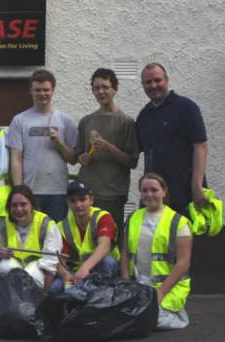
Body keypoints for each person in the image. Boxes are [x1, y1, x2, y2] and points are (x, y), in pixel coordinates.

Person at [121, 173, 191, 329]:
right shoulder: (133, 218)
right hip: (138, 285)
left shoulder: (178, 222)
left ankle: (178, 316)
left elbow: (183, 263)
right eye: (144, 190)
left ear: (164, 192)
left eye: (154, 190)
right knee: (121, 316)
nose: (149, 194)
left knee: (148, 320)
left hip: (168, 288)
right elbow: (125, 255)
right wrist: (125, 284)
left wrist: (161, 292)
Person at [136, 63, 208, 215]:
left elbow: (200, 147)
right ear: (142, 85)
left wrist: (197, 185)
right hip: (155, 198)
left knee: (187, 238)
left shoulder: (186, 108)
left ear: (166, 80)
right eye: (148, 82)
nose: (153, 85)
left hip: (185, 196)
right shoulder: (144, 116)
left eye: (157, 80)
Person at [7, 69, 77, 221]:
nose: (42, 94)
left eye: (46, 89)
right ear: (30, 91)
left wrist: (59, 142)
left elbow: (73, 158)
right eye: (37, 90)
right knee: (31, 238)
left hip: (58, 192)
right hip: (30, 192)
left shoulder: (65, 120)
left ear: (53, 90)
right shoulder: (20, 120)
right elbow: (16, 158)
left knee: (55, 238)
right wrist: (19, 190)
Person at [75, 68, 139, 236]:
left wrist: (109, 147)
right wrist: (82, 158)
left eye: (105, 87)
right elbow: (79, 155)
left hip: (112, 195)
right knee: (86, 242)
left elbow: (132, 162)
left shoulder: (126, 123)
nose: (101, 92)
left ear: (115, 89)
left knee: (110, 243)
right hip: (86, 194)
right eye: (96, 88)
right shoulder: (86, 121)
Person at [51, 180, 120, 294]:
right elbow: (60, 261)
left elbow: (105, 245)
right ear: (67, 203)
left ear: (91, 200)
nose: (78, 205)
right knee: (55, 288)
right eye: (73, 201)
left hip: (101, 270)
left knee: (108, 261)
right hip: (76, 273)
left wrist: (85, 268)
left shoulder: (103, 217)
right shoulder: (61, 227)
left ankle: (106, 296)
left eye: (82, 199)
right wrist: (66, 275)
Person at [0, 185, 62, 291]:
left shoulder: (47, 225)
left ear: (32, 205)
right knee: (2, 268)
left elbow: (51, 265)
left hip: (38, 270)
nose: (19, 209)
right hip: (15, 267)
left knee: (29, 275)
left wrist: (45, 298)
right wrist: (1, 254)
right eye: (14, 205)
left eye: (23, 204)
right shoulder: (2, 224)